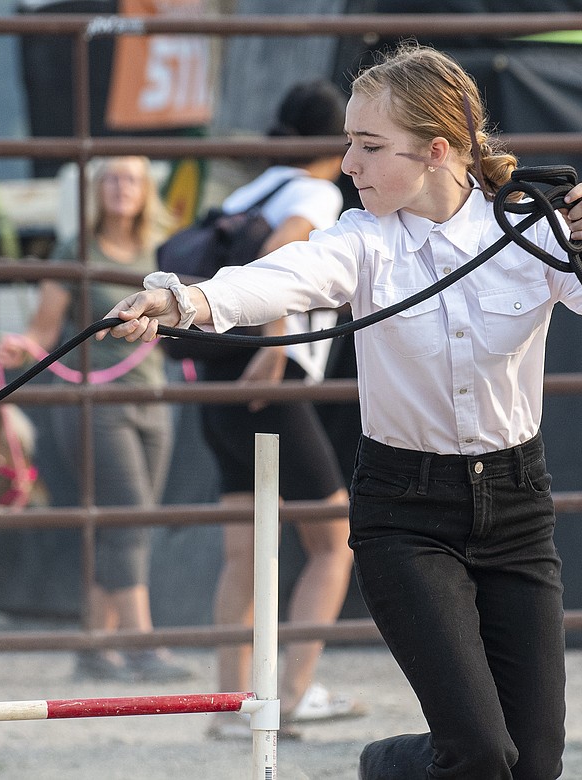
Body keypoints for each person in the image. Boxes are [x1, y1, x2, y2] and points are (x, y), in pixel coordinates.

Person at [98, 43, 582, 779]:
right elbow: (284, 276)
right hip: (405, 512)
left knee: (534, 765)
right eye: (348, 142)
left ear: (437, 151)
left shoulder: (533, 231)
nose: (348, 163)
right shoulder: (363, 239)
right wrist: (186, 298)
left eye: (368, 146)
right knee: (480, 755)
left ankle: (390, 766)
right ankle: (390, 766)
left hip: (517, 508)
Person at [199, 79, 362, 742]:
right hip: (271, 378)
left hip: (217, 383)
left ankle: (229, 706)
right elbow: (278, 260)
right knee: (333, 541)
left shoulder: (250, 188)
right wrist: (274, 343)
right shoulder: (317, 192)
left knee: (244, 551)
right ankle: (290, 698)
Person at [0, 155, 188, 682]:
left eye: (133, 180)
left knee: (120, 524)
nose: (123, 189)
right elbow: (43, 329)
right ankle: (141, 644)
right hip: (95, 406)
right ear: (99, 190)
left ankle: (94, 647)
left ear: (147, 192)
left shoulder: (162, 253)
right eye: (113, 180)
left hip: (153, 400)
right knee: (130, 520)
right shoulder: (75, 249)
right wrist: (21, 348)